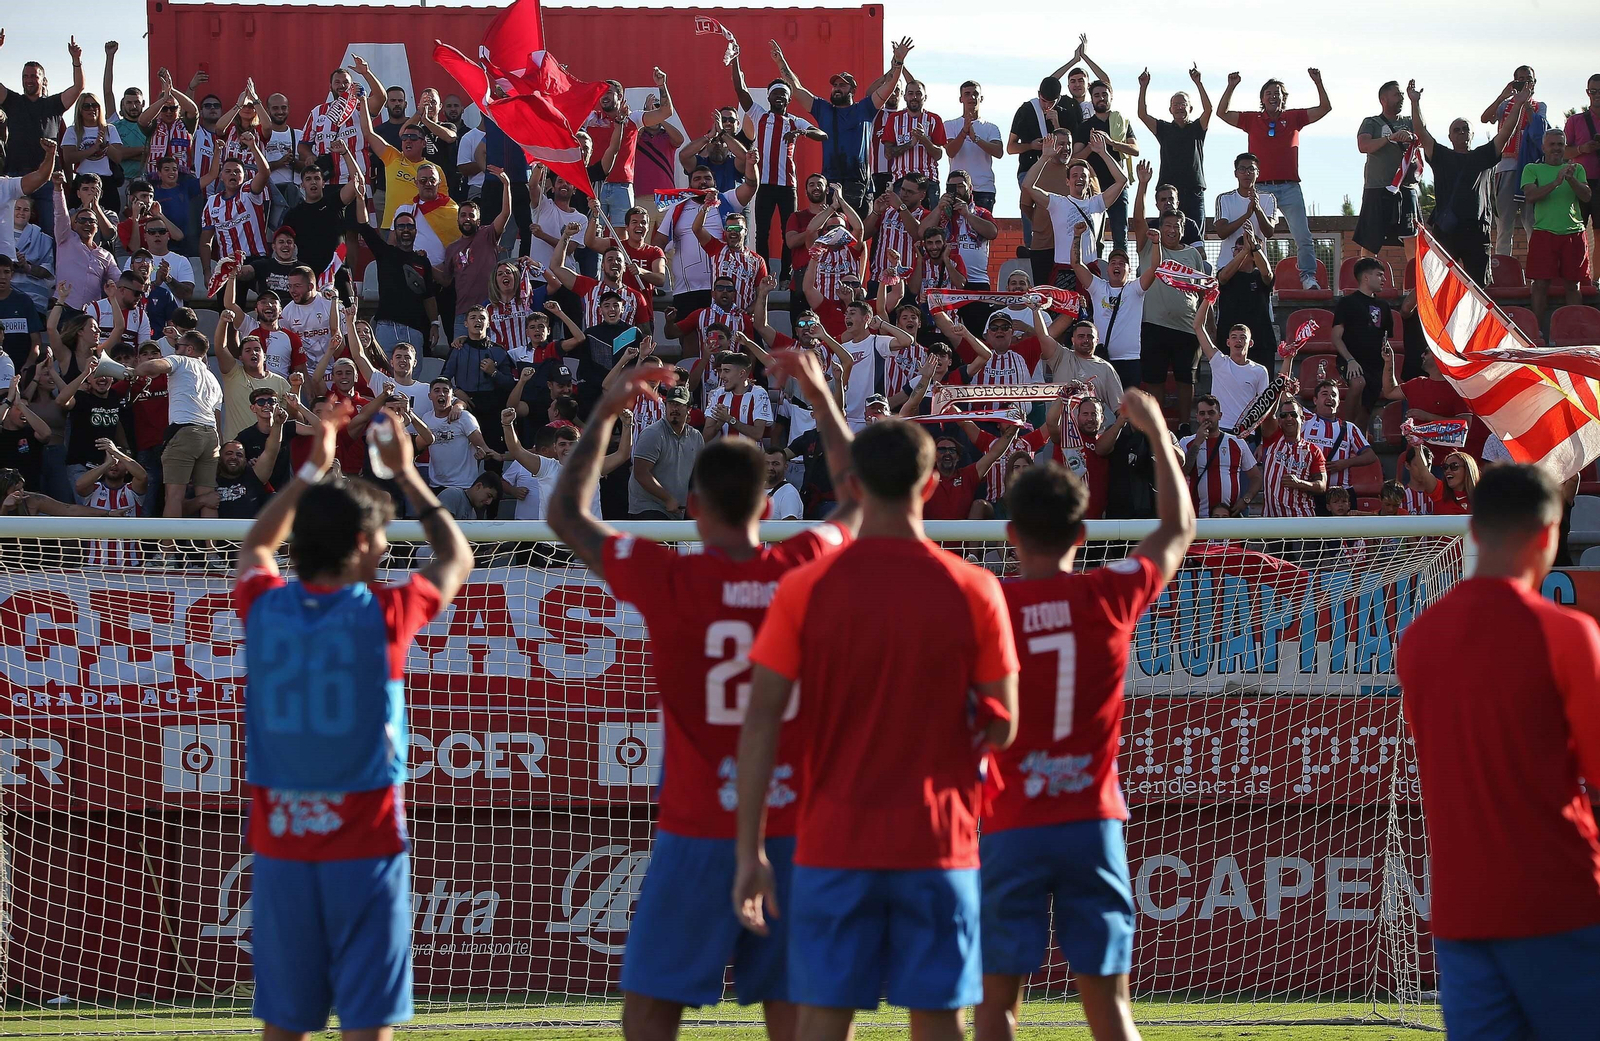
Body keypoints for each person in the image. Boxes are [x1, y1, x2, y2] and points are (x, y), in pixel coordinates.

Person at [548, 353, 857, 1041]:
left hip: (696, 826)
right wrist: (818, 394)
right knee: (799, 1008)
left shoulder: (670, 579)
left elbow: (565, 513)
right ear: (769, 506)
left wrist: (605, 411)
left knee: (652, 1007)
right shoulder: (800, 568)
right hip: (793, 826)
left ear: (692, 507)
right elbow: (858, 501)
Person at [733, 413, 1019, 1041]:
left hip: (834, 837)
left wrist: (751, 846)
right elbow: (1002, 730)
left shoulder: (805, 586)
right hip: (937, 839)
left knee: (825, 1018)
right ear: (929, 486)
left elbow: (758, 725)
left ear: (853, 487)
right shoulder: (975, 588)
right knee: (938, 1018)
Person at [232, 402, 471, 1041]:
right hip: (364, 849)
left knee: (285, 1026)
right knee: (368, 1026)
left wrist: (312, 471)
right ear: (363, 543)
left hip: (281, 850)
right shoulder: (383, 615)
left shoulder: (264, 609)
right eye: (382, 536)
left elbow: (257, 543)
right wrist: (407, 475)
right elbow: (457, 557)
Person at [976, 388, 1193, 1041]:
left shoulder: (987, 604)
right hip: (1090, 822)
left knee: (995, 1009)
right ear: (1082, 533)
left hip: (1010, 820)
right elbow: (1178, 528)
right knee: (1110, 1010)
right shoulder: (1109, 594)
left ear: (1010, 534)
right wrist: (1154, 432)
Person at [1396, 463, 1600, 1039]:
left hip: (1463, 914)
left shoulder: (1419, 640)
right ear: (1547, 535)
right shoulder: (1567, 634)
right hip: (1560, 904)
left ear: (1475, 532)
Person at [768, 36, 913, 213]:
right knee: (831, 235)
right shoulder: (823, 109)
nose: (837, 88)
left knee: (859, 237)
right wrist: (780, 61)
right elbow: (796, 88)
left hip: (859, 186)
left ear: (852, 90)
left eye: (842, 85)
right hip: (830, 185)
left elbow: (889, 85)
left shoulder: (865, 108)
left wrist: (898, 62)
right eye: (835, 85)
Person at [1216, 69, 1332, 290]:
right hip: (1259, 189)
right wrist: (1231, 86)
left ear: (1284, 98)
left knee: (1303, 236)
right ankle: (1256, 272)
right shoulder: (1252, 120)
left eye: (1278, 93)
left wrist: (1318, 82)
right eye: (1268, 93)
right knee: (1255, 234)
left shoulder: (1294, 117)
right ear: (1262, 98)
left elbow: (1324, 108)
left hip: (1289, 187)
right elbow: (1222, 113)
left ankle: (1308, 277)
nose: (1273, 96)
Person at [1414, 80, 1531, 285]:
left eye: (1465, 129)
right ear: (1449, 136)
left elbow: (1506, 133)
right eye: (1456, 130)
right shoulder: (1441, 155)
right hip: (1447, 231)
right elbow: (1421, 131)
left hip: (1477, 232)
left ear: (1472, 134)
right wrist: (1415, 102)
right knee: (1440, 284)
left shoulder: (1482, 156)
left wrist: (1519, 103)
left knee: (1479, 288)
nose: (1461, 133)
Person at [0, 37, 85, 238]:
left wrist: (76, 60)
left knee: (51, 231)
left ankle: (50, 269)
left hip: (47, 178)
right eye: (25, 76)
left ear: (42, 79)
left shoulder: (53, 104)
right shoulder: (12, 101)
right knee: (11, 231)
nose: (29, 80)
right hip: (16, 176)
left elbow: (78, 87)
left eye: (34, 76)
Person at [135, 328, 222, 520]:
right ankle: (212, 550)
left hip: (185, 432)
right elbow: (217, 418)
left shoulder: (180, 360)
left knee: (173, 496)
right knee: (207, 497)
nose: (174, 350)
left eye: (176, 346)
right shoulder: (213, 378)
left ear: (189, 349)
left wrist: (136, 370)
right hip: (211, 437)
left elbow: (148, 368)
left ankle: (167, 550)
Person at [1522, 128, 1593, 332]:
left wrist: (1570, 178)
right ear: (1544, 147)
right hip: (1544, 232)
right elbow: (1530, 196)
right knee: (1540, 284)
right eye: (1552, 144)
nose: (1556, 149)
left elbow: (1586, 196)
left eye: (1560, 145)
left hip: (1574, 233)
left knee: (1573, 285)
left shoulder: (1576, 169)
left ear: (1565, 147)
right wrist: (1556, 182)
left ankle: (1574, 330)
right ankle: (1536, 330)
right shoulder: (1532, 169)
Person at [1481, 66, 1545, 258]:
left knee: (1531, 220)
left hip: (1530, 170)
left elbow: (1538, 129)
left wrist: (1525, 104)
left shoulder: (1539, 105)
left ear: (1534, 83)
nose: (1525, 83)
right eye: (1521, 79)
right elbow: (1485, 118)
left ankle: (1537, 266)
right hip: (1506, 167)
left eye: (1529, 80)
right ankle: (1502, 264)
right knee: (1504, 222)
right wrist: (1503, 96)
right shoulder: (1504, 106)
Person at [1008, 77, 1078, 248]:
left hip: (1058, 171)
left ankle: (1061, 245)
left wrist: (1056, 123)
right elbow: (1010, 147)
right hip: (1030, 168)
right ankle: (1031, 245)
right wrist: (1031, 145)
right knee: (1030, 204)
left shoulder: (1064, 113)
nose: (1047, 106)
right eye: (1043, 101)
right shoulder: (1026, 110)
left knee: (1061, 207)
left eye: (1051, 102)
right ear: (1038, 95)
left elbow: (1070, 147)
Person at [1137, 65, 1212, 224]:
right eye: (1175, 105)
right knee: (1168, 232)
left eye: (1183, 104)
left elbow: (1208, 110)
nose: (1179, 107)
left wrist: (1199, 83)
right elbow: (1142, 115)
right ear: (1170, 109)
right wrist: (1143, 87)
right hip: (1168, 192)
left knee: (1196, 236)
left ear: (1190, 108)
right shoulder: (1164, 129)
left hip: (1193, 190)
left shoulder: (1197, 128)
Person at [1354, 81, 1420, 258]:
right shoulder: (1371, 122)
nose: (1401, 98)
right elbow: (1364, 145)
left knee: (1412, 238)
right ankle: (1366, 278)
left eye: (1402, 95)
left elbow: (1423, 136)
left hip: (1406, 189)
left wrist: (1415, 102)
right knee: (1370, 239)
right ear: (1383, 99)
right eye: (1397, 95)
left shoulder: (1409, 121)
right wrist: (1389, 139)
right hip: (1377, 188)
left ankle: (1412, 284)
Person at [1331, 257, 1393, 426]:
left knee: (1365, 413)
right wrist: (1350, 360)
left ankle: (1358, 443)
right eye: (1379, 275)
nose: (1384, 279)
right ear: (1366, 277)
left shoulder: (1384, 306)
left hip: (1375, 365)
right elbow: (1336, 337)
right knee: (1358, 383)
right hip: (1351, 360)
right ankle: (1344, 430)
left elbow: (1386, 339)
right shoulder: (1347, 302)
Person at [1193, 295, 1268, 432]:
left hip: (1246, 433)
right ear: (1228, 343)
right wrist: (1207, 299)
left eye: (1243, 338)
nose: (1238, 341)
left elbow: (1264, 409)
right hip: (1218, 430)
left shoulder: (1260, 370)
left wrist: (1262, 442)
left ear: (1250, 343)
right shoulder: (1219, 361)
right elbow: (1198, 326)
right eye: (1234, 337)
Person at [628, 382, 701, 520]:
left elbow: (699, 475)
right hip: (648, 507)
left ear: (689, 409)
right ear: (665, 406)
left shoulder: (696, 437)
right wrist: (668, 499)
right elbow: (641, 472)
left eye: (679, 404)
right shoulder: (652, 433)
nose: (674, 408)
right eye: (671, 404)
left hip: (676, 510)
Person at [1180, 395, 1261, 518]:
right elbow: (1183, 472)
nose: (1207, 417)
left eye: (1211, 413)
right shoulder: (1186, 442)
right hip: (1197, 517)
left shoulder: (1237, 442)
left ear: (1220, 415)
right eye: (1202, 413)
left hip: (1229, 517)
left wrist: (1246, 500)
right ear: (1197, 417)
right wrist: (1197, 442)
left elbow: (1256, 477)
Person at [1260, 398, 1326, 518]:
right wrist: (1278, 388)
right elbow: (1268, 416)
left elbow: (1322, 485)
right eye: (1284, 415)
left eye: (1294, 414)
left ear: (1303, 419)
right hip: (1271, 522)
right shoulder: (1272, 440)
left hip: (1302, 519)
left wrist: (1300, 483)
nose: (1289, 418)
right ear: (1279, 420)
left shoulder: (1313, 451)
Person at [944, 81, 1003, 211]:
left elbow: (998, 152)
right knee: (955, 229)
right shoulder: (950, 125)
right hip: (956, 187)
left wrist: (975, 139)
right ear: (961, 99)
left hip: (983, 188)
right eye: (967, 94)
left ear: (981, 98)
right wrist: (964, 132)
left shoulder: (990, 127)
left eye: (975, 94)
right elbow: (950, 151)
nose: (972, 97)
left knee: (982, 229)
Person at [1406, 445, 1476, 515]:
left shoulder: (1482, 497)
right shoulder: (1440, 491)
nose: (1448, 470)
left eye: (1454, 466)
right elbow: (1424, 474)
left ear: (1468, 469)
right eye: (1445, 467)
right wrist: (1418, 449)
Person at [765, 445, 804, 520]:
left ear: (786, 466)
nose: (770, 468)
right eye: (766, 463)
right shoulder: (754, 490)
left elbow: (789, 529)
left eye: (775, 464)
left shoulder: (789, 493)